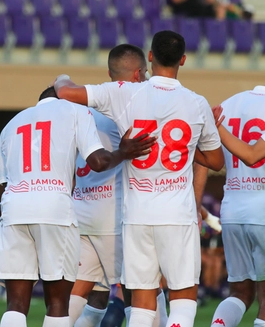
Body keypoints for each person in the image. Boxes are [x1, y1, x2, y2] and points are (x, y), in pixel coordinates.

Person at [55, 30, 224, 327]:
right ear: (183, 60)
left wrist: (62, 78)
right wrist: (183, 148)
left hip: (136, 215)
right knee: (182, 297)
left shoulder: (123, 92)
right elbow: (215, 160)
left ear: (150, 56)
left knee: (142, 302)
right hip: (177, 213)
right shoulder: (196, 103)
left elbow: (66, 92)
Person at [0, 86, 156, 327]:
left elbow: (6, 180)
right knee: (57, 304)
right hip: (55, 208)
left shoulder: (11, 125)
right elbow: (98, 162)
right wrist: (122, 152)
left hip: (14, 208)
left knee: (15, 304)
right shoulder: (75, 111)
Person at [69, 44, 168, 327]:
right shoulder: (132, 111)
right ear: (138, 75)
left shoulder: (86, 113)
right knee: (141, 288)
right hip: (115, 216)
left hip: (83, 213)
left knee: (87, 294)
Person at [209, 87, 265, 327]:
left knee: (240, 292)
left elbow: (207, 159)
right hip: (261, 209)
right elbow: (253, 156)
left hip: (232, 209)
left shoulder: (227, 105)